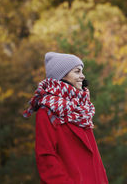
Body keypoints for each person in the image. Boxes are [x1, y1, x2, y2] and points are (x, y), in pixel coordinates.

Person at [23, 52, 108, 184]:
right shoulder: (47, 110)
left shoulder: (82, 109)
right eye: (77, 71)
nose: (83, 76)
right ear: (62, 75)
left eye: (82, 71)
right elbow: (46, 156)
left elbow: (94, 157)